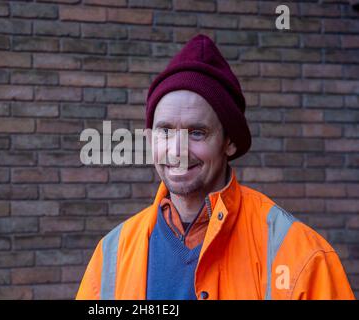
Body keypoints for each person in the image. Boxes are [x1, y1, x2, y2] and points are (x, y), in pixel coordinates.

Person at [76, 34, 354, 300]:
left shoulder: (301, 257)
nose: (177, 151)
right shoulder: (110, 256)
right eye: (165, 131)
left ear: (229, 142)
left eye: (197, 132)